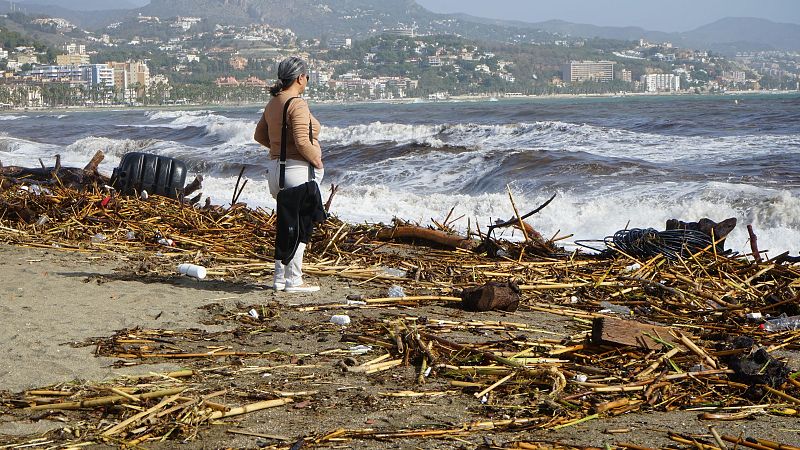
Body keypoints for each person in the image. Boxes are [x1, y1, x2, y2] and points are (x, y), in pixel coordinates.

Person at [254, 56, 323, 293]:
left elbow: (259, 136)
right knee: (301, 226)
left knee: (287, 225)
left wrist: (278, 150)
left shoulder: (273, 103)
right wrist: (317, 160)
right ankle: (294, 280)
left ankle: (279, 278)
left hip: (275, 172)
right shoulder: (297, 103)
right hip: (297, 172)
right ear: (300, 77)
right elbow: (303, 141)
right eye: (307, 76)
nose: (307, 80)